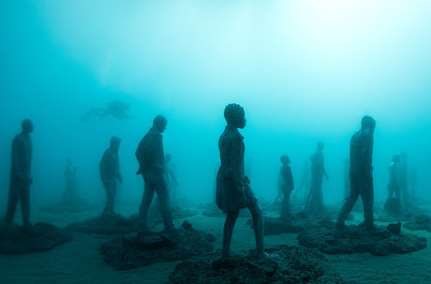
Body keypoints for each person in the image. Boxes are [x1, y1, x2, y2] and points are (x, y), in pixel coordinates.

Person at [216, 104, 264, 258]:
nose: (245, 119)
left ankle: (225, 252)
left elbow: (228, 163)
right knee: (257, 212)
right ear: (235, 118)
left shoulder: (223, 135)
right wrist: (241, 187)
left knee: (232, 215)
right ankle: (260, 253)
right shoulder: (236, 138)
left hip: (226, 179)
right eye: (242, 116)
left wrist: (241, 177)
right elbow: (235, 166)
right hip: (235, 182)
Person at [336, 116, 376, 231]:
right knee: (368, 197)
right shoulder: (368, 135)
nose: (374, 129)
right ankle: (369, 223)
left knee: (352, 196)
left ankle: (340, 220)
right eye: (373, 126)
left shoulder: (354, 135)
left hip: (353, 171)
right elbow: (365, 155)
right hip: (363, 172)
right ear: (369, 125)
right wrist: (368, 173)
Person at [136, 115, 174, 232]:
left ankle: (141, 224)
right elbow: (141, 153)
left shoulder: (147, 136)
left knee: (147, 198)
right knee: (164, 198)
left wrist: (144, 167)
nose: (165, 128)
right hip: (155, 174)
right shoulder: (156, 137)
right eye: (164, 125)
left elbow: (138, 152)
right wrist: (154, 165)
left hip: (148, 174)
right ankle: (169, 226)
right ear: (159, 124)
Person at [3, 119, 34, 229]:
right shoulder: (17, 139)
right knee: (14, 200)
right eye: (31, 125)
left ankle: (26, 222)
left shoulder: (29, 139)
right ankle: (7, 223)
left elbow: (29, 160)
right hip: (17, 176)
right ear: (25, 126)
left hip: (25, 174)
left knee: (26, 200)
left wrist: (29, 174)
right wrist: (18, 173)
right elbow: (14, 158)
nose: (33, 126)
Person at [99, 136, 122, 216]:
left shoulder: (115, 153)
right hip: (107, 179)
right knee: (110, 195)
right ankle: (108, 213)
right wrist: (104, 179)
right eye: (117, 144)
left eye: (119, 144)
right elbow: (101, 166)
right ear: (113, 144)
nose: (118, 146)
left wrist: (118, 175)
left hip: (113, 178)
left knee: (113, 195)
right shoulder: (107, 153)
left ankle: (109, 212)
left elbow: (116, 166)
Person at [304, 142, 328, 215]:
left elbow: (321, 165)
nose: (322, 147)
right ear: (319, 147)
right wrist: (325, 174)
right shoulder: (318, 155)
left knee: (315, 191)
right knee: (315, 191)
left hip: (318, 176)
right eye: (321, 146)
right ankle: (313, 208)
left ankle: (312, 207)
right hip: (316, 176)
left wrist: (325, 174)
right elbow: (320, 165)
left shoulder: (319, 155)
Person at [278, 155, 294, 220]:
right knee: (286, 199)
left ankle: (285, 213)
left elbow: (287, 177)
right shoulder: (287, 168)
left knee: (286, 198)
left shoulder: (282, 168)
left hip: (285, 185)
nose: (286, 161)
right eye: (285, 159)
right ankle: (285, 214)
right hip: (287, 185)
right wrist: (292, 185)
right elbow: (290, 177)